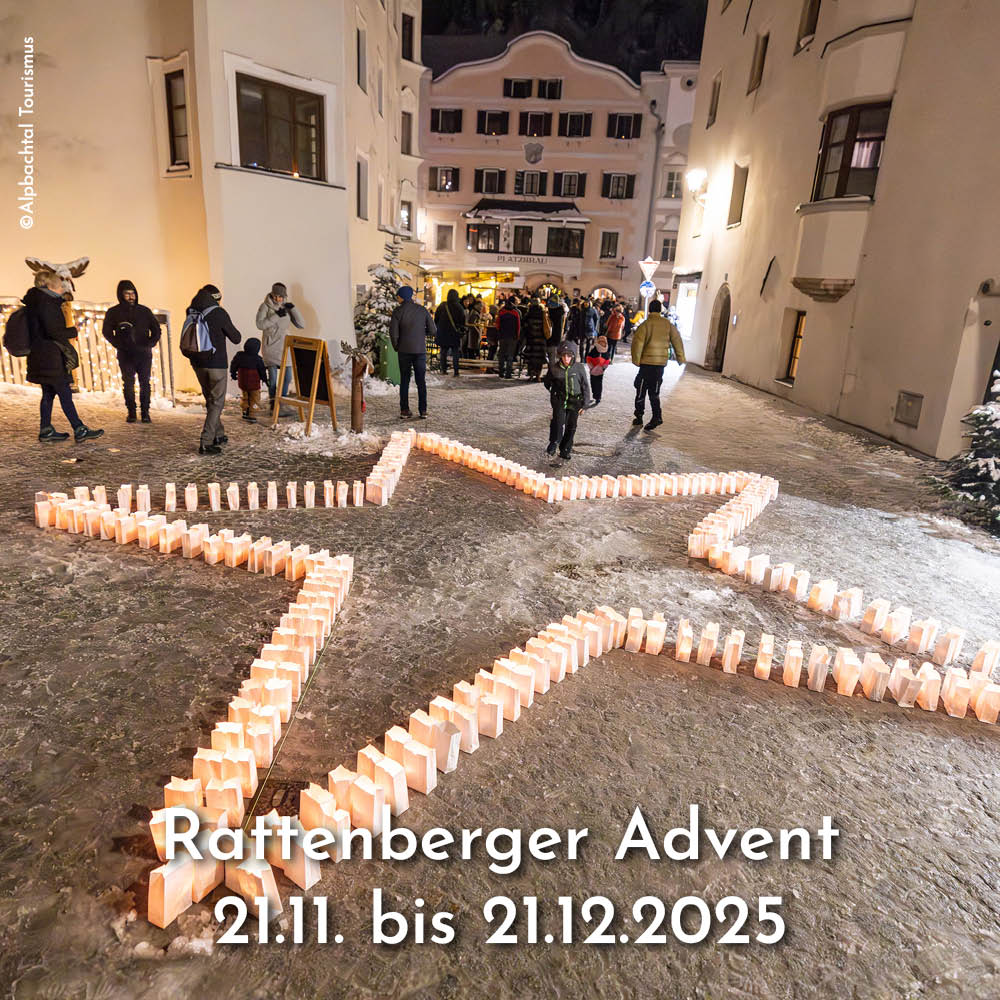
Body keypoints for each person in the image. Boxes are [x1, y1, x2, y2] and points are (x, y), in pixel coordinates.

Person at [23, 270, 103, 442]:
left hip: (40, 356)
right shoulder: (47, 303)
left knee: (48, 393)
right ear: (50, 286)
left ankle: (46, 429)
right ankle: (79, 428)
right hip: (51, 357)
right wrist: (72, 330)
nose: (62, 289)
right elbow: (53, 331)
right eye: (60, 286)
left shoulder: (35, 302)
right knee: (64, 392)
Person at [184, 284, 242, 454]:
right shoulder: (219, 313)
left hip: (197, 364)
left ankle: (219, 434)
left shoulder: (191, 311)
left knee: (211, 400)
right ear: (215, 299)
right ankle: (206, 441)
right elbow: (236, 337)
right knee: (217, 403)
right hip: (216, 364)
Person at [101, 279, 162, 423]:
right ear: (121, 295)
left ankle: (145, 412)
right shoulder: (114, 312)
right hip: (125, 353)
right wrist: (118, 344)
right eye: (127, 294)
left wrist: (150, 343)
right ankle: (132, 412)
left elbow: (156, 329)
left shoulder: (144, 311)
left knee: (145, 383)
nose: (130, 296)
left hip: (144, 353)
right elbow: (107, 331)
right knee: (128, 383)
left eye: (132, 293)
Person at [630, 299, 686, 432]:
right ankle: (657, 416)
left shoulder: (645, 325)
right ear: (660, 310)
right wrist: (680, 358)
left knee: (641, 390)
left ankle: (639, 416)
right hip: (659, 366)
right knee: (654, 392)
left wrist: (636, 360)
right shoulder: (667, 325)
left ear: (649, 309)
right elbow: (677, 340)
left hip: (646, 365)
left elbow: (637, 344)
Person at [255, 282, 304, 411]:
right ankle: (273, 404)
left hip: (285, 346)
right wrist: (276, 316)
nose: (278, 299)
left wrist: (293, 308)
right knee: (273, 379)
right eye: (276, 296)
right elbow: (260, 324)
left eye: (281, 297)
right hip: (271, 346)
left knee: (287, 377)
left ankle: (281, 402)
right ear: (272, 294)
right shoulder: (265, 306)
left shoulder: (286, 306)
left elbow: (301, 324)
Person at [389, 285, 436, 418]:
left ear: (402, 297)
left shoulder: (398, 311)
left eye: (398, 296)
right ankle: (423, 410)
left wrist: (396, 346)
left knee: (404, 380)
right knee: (421, 380)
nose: (397, 298)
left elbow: (393, 333)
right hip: (420, 350)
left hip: (404, 350)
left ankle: (404, 410)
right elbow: (433, 330)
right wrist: (422, 334)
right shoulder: (422, 310)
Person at [542, 341, 592, 460]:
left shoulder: (579, 368)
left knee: (571, 426)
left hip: (575, 401)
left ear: (573, 356)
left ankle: (565, 449)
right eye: (563, 355)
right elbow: (547, 382)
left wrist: (585, 404)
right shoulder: (554, 368)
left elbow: (585, 385)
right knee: (558, 422)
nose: (566, 358)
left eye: (569, 356)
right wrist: (554, 393)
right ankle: (553, 443)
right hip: (559, 399)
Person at [229, 337, 268, 423]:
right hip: (254, 384)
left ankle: (244, 411)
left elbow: (233, 365)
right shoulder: (258, 359)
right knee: (255, 398)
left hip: (243, 382)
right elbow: (262, 370)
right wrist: (265, 379)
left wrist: (233, 374)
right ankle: (252, 414)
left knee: (245, 397)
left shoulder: (239, 356)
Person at [434, 289, 465, 376]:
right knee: (455, 352)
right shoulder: (459, 307)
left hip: (443, 333)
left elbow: (436, 319)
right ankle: (456, 371)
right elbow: (462, 320)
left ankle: (443, 369)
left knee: (443, 351)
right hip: (454, 333)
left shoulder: (442, 306)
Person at [522, 296, 550, 381]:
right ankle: (538, 376)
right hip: (541, 340)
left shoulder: (528, 314)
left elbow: (524, 325)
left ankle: (531, 376)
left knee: (531, 359)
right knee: (539, 359)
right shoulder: (543, 313)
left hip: (531, 340)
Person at [494, 298, 521, 379]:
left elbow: (497, 324)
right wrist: (517, 336)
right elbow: (518, 326)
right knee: (510, 355)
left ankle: (501, 372)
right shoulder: (516, 313)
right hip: (512, 337)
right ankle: (508, 373)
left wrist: (500, 333)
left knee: (501, 355)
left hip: (502, 336)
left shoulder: (501, 312)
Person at [585, 335, 612, 404]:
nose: (602, 344)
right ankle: (595, 394)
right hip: (593, 370)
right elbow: (588, 358)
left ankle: (598, 397)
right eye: (601, 342)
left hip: (600, 371)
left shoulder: (606, 352)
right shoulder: (594, 350)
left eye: (604, 342)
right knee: (593, 383)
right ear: (598, 342)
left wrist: (603, 367)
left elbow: (608, 360)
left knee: (599, 384)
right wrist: (591, 367)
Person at [546, 295, 565, 366]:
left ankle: (552, 373)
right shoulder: (561, 312)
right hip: (557, 338)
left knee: (552, 357)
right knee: (553, 358)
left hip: (551, 337)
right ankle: (551, 373)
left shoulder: (552, 312)